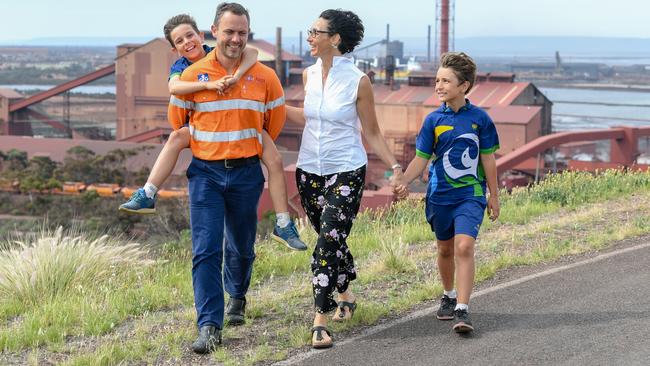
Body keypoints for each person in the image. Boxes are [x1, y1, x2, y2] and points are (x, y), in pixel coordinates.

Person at [119, 13, 307, 251]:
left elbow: (252, 53)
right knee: (176, 137)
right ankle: (148, 192)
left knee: (275, 160)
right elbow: (174, 87)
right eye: (179, 41)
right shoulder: (183, 68)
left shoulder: (217, 52)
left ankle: (283, 223)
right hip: (203, 127)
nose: (187, 42)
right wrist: (207, 85)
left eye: (190, 35)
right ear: (175, 49)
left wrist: (236, 77)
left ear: (202, 35)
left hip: (243, 125)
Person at [167, 3, 287, 353]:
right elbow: (179, 123)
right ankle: (208, 326)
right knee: (205, 250)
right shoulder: (192, 75)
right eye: (229, 31)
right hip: (205, 173)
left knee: (241, 245)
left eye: (242, 33)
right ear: (214, 32)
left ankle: (238, 295)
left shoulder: (265, 77)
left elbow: (273, 125)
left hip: (247, 172)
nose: (235, 39)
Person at [285, 9, 404, 348]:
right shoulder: (307, 75)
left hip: (347, 170)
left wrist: (395, 167)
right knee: (332, 237)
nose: (309, 36)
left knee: (325, 244)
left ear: (335, 39)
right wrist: (269, 106)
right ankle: (348, 294)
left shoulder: (358, 81)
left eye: (315, 31)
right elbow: (308, 117)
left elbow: (373, 132)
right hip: (309, 169)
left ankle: (320, 320)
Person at [393, 52, 500, 334]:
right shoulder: (432, 121)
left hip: (470, 194)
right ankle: (449, 295)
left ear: (463, 86)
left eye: (445, 81)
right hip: (439, 196)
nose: (438, 86)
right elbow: (421, 158)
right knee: (444, 249)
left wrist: (495, 195)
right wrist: (404, 180)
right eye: (437, 80)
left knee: (464, 246)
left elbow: (488, 159)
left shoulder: (480, 119)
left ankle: (463, 310)